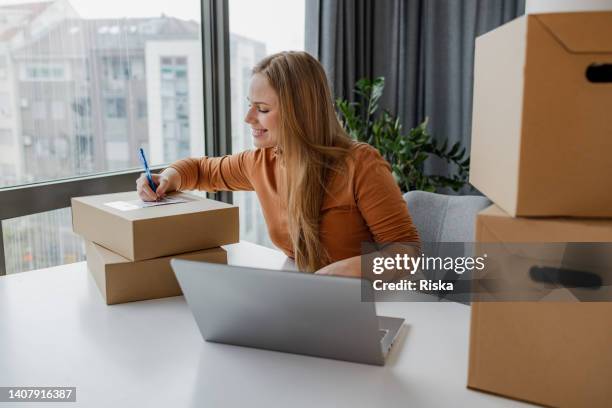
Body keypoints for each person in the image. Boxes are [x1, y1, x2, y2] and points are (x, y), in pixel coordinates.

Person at [136, 51, 420, 277]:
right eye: (250, 105)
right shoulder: (261, 162)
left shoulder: (361, 164)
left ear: (300, 113)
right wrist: (168, 177)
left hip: (372, 300)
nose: (249, 117)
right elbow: (199, 169)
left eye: (262, 109)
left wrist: (352, 269)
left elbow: (407, 252)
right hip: (310, 299)